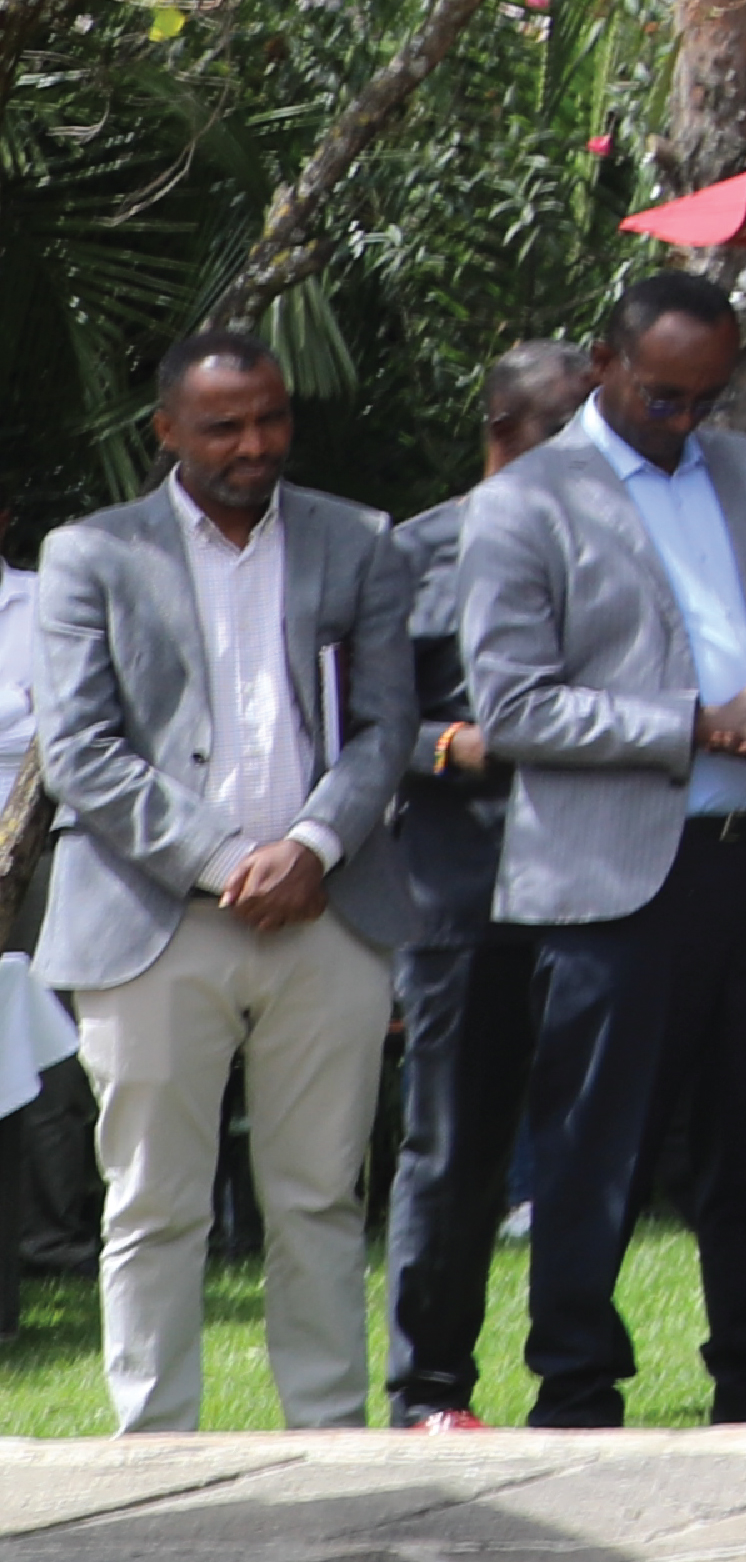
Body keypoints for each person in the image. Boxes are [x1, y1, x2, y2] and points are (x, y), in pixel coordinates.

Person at [469, 273, 746, 1430]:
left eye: (706, 396)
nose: (685, 418)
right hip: (618, 874)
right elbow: (513, 709)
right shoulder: (528, 502)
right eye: (661, 395)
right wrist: (694, 724)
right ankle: (578, 1386)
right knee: (598, 1143)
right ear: (604, 362)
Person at [38, 329, 420, 1432]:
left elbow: (389, 724)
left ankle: (330, 1441)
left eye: (272, 419)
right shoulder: (94, 554)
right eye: (224, 426)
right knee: (153, 1203)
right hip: (154, 918)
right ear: (166, 430)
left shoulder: (360, 542)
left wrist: (311, 846)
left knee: (319, 1197)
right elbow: (81, 751)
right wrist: (220, 860)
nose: (256, 444)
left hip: (329, 911)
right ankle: (153, 1453)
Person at [378, 344, 583, 1429]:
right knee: (453, 1147)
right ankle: (430, 1390)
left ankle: (578, 1379)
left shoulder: (618, 545)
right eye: (568, 427)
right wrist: (453, 744)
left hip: (601, 874)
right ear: (503, 428)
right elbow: (362, 720)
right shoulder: (413, 553)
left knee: (594, 1139)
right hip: (465, 887)